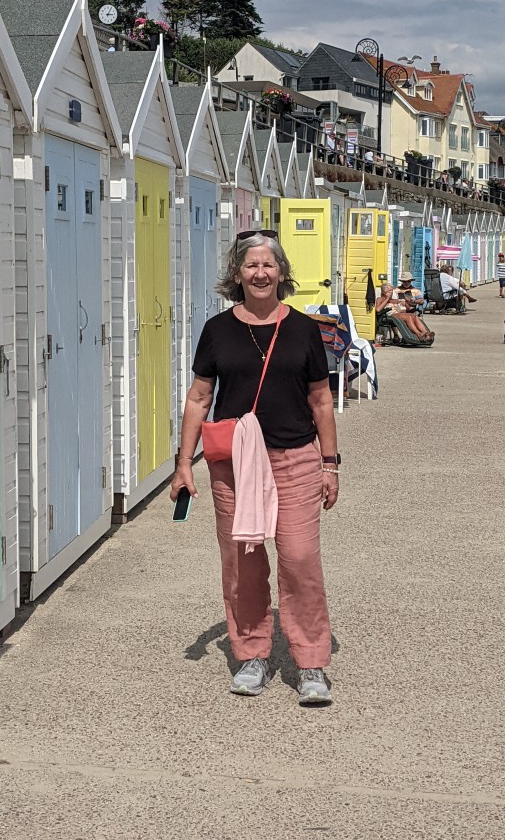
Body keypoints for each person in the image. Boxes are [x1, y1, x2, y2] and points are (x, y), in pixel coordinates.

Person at [169, 231, 338, 706]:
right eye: (251, 265)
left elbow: (321, 401)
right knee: (242, 563)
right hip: (235, 466)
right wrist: (183, 464)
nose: (260, 273)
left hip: (295, 458)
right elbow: (199, 398)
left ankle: (310, 662)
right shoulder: (217, 330)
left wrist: (330, 464)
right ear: (237, 274)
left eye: (268, 265)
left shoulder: (303, 329)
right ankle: (251, 655)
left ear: (281, 272)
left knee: (300, 560)